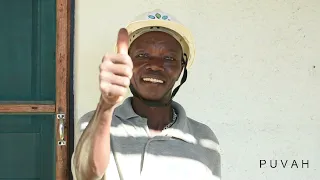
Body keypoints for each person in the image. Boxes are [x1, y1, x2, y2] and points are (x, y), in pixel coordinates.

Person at [71, 9, 221, 180]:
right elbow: (86, 174)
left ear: (182, 67)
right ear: (127, 62)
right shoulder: (94, 123)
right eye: (142, 55)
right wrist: (105, 106)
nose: (155, 65)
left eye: (169, 58)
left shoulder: (203, 137)